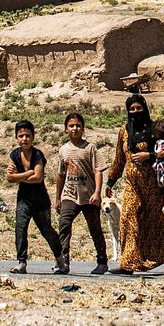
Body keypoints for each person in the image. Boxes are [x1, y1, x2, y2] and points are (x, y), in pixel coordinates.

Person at [112, 94, 164, 271]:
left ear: (145, 108)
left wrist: (149, 155)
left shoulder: (155, 129)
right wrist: (110, 181)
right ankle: (128, 262)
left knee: (160, 222)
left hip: (154, 184)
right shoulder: (124, 131)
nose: (135, 112)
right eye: (131, 109)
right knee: (128, 218)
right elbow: (119, 158)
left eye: (138, 108)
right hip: (132, 184)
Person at [54, 112, 110, 275]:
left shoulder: (90, 148)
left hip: (89, 195)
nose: (75, 128)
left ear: (83, 128)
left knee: (95, 229)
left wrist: (98, 192)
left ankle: (102, 261)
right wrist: (58, 197)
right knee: (64, 226)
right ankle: (63, 262)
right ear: (66, 129)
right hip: (69, 195)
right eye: (71, 126)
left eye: (78, 125)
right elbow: (61, 174)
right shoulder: (63, 150)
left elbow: (98, 170)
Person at [7, 120, 60, 274]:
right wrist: (27, 173)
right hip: (23, 198)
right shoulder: (14, 154)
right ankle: (21, 262)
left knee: (46, 230)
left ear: (33, 136)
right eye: (21, 136)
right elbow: (9, 177)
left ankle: (60, 258)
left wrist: (18, 176)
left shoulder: (38, 154)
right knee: (20, 228)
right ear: (17, 138)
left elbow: (38, 177)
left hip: (40, 200)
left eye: (27, 135)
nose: (24, 139)